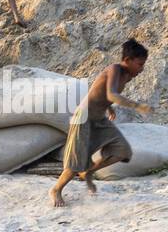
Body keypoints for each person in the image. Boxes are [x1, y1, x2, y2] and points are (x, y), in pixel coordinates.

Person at [50, 39, 152, 207]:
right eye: (140, 64)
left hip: (99, 118)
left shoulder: (127, 76)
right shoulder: (114, 69)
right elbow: (111, 94)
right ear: (127, 60)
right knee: (76, 161)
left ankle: (89, 172)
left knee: (123, 150)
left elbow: (105, 95)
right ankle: (56, 189)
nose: (142, 69)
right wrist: (137, 106)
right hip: (83, 118)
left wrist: (109, 108)